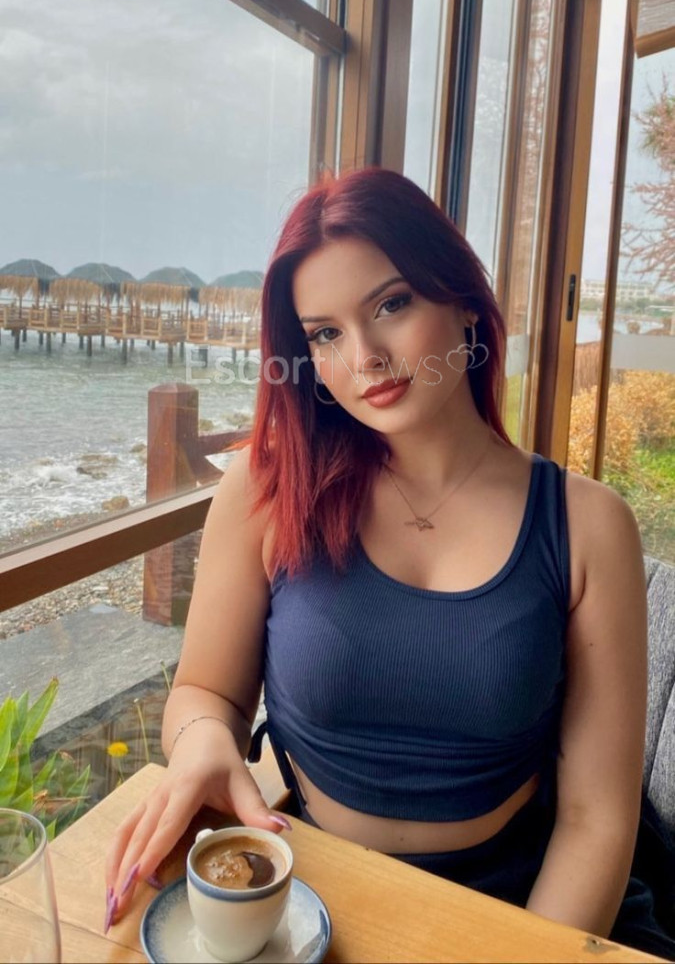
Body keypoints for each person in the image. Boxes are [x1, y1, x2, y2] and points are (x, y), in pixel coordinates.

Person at [105, 168, 675, 956]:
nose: (365, 357)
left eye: (391, 305)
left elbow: (595, 819)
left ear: (463, 302)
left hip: (534, 908)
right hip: (316, 905)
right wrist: (203, 742)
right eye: (324, 334)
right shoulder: (267, 491)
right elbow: (206, 691)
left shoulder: (586, 525)